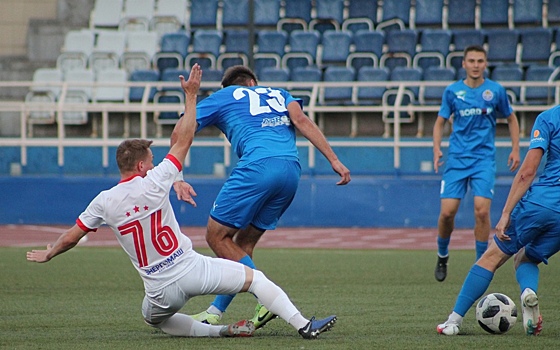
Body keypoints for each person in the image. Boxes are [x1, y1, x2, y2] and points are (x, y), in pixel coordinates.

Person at [26, 64, 337, 340]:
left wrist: (50, 253)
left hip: (159, 291)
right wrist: (335, 161)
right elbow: (184, 140)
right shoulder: (158, 180)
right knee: (252, 272)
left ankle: (217, 324)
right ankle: (296, 322)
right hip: (278, 182)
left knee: (164, 308)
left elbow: (72, 235)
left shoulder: (103, 201)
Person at [172, 65, 351, 328]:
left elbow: (181, 129)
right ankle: (214, 312)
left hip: (257, 168)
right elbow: (302, 121)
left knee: (216, 236)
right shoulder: (279, 93)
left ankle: (269, 300)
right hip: (290, 171)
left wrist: (178, 177)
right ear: (254, 82)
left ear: (233, 86)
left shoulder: (226, 96)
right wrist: (334, 160)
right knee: (242, 245)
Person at [436, 104, 560, 336]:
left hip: (542, 203)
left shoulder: (549, 117)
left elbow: (528, 171)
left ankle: (452, 322)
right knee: (527, 257)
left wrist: (506, 213)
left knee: (492, 257)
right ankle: (527, 294)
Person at [432, 45, 520, 282]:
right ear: (463, 64)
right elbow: (440, 122)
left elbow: (511, 119)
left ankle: (482, 263)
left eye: (480, 61)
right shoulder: (452, 92)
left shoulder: (495, 91)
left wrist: (515, 148)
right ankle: (442, 254)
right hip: (457, 160)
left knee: (482, 210)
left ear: (485, 64)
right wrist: (437, 148)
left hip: (483, 159)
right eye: (471, 60)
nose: (475, 65)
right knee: (447, 213)